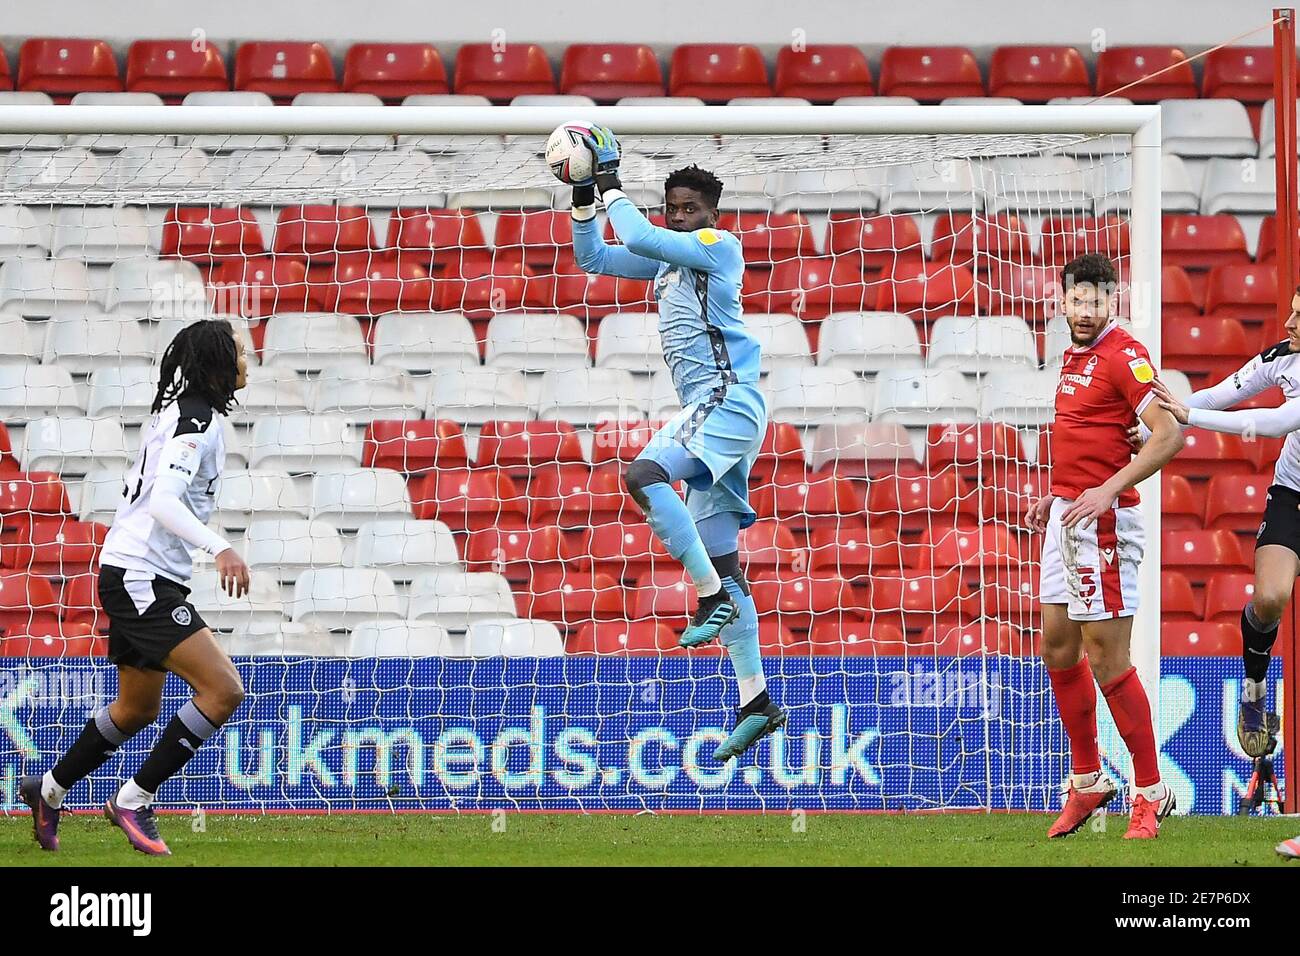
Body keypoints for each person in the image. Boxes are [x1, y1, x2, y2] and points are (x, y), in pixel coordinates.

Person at [569, 125, 783, 761]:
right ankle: (756, 700)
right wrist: (584, 196)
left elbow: (632, 233)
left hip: (727, 399)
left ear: (713, 214)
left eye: (693, 209)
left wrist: (607, 174)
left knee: (642, 476)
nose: (683, 218)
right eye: (675, 209)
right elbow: (597, 258)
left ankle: (710, 600)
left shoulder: (718, 245)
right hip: (715, 411)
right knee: (726, 559)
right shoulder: (669, 258)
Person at [19, 319, 251, 856]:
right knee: (223, 690)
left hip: (134, 571)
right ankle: (133, 798)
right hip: (141, 576)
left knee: (137, 708)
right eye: (239, 352)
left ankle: (47, 790)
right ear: (217, 362)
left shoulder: (179, 412)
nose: (246, 361)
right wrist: (222, 547)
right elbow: (166, 503)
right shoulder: (195, 421)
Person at [1028, 254, 1185, 839]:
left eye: (1097, 301)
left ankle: (1150, 790)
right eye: (1078, 300)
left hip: (1108, 522)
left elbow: (1169, 435)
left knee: (1107, 656)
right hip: (1069, 515)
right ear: (1063, 302)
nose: (1086, 311)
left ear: (1112, 302)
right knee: (1058, 645)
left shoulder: (1125, 355)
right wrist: (1059, 494)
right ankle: (1089, 780)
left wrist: (1108, 488)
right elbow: (1090, 436)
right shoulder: (1073, 358)